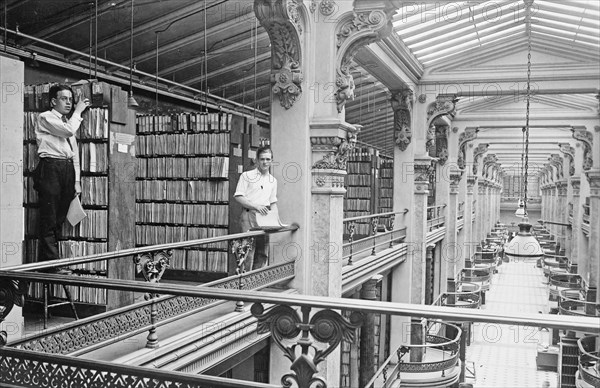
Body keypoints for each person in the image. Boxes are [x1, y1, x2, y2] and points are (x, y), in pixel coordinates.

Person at [34, 84, 90, 273]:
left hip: (66, 169)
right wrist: (79, 111)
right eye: (64, 99)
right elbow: (67, 131)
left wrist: (76, 181)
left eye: (71, 99)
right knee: (49, 218)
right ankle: (50, 265)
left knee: (59, 217)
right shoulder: (46, 118)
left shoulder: (68, 122)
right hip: (50, 167)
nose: (69, 102)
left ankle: (51, 263)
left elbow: (74, 154)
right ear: (53, 101)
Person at [234, 145, 278, 271]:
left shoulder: (273, 181)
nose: (265, 162)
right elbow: (238, 197)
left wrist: (275, 220)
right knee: (247, 252)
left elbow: (273, 202)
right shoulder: (246, 176)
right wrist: (256, 206)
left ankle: (256, 283)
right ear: (257, 160)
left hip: (264, 218)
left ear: (272, 160)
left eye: (268, 159)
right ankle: (245, 283)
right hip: (248, 216)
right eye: (262, 159)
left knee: (263, 252)